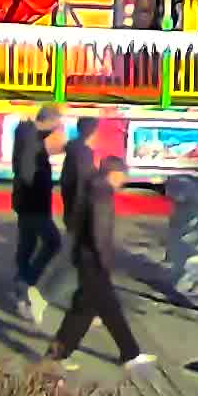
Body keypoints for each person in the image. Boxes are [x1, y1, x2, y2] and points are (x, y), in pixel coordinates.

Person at [43, 116, 152, 370]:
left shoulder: (93, 186)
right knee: (106, 308)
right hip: (93, 259)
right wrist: (104, 262)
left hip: (86, 255)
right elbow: (99, 231)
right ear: (114, 174)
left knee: (84, 310)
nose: (123, 183)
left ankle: (59, 353)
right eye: (122, 177)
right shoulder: (102, 194)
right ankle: (130, 354)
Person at [10, 105, 66, 326]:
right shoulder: (31, 142)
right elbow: (26, 172)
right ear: (51, 122)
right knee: (53, 242)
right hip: (33, 203)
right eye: (58, 123)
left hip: (26, 202)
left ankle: (21, 287)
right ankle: (26, 284)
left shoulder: (28, 132)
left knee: (27, 245)